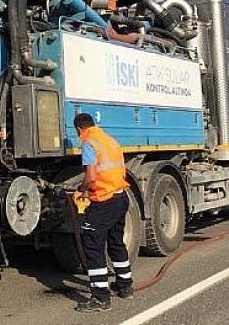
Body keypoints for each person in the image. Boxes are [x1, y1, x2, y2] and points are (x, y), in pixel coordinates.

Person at [73, 113, 134, 313]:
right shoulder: (110, 140)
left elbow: (91, 177)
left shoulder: (89, 143)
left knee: (92, 244)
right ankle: (125, 286)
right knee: (116, 241)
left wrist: (81, 190)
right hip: (121, 197)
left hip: (104, 201)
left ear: (80, 129)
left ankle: (100, 298)